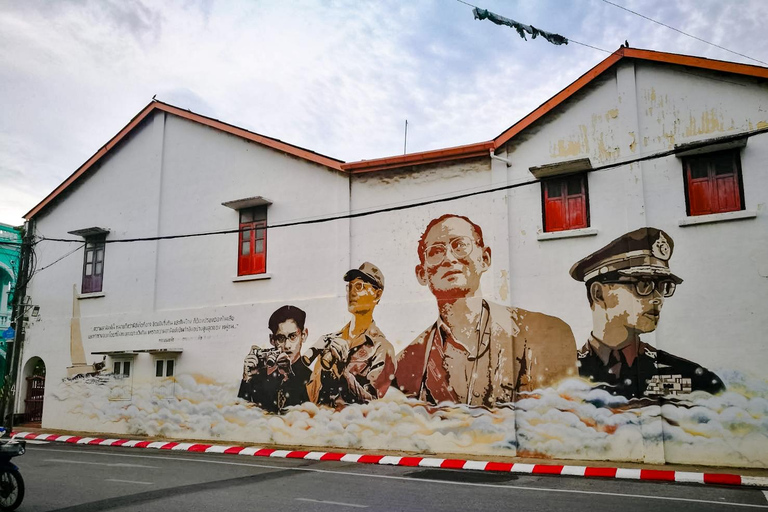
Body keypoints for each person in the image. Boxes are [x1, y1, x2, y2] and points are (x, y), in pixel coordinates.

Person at [394, 214, 577, 407]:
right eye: (436, 252)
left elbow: (557, 423)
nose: (449, 258)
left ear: (485, 258)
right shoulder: (406, 363)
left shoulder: (545, 333)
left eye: (460, 245)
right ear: (422, 274)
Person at [570, 227, 725, 399]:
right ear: (598, 293)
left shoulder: (693, 379)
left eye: (663, 287)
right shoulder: (564, 375)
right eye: (644, 285)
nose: (658, 298)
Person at [306, 262, 396, 407]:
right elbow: (311, 397)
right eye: (350, 286)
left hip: (355, 427)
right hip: (325, 424)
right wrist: (326, 369)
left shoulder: (382, 348)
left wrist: (343, 372)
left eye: (360, 286)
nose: (352, 292)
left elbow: (373, 403)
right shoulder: (332, 340)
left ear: (377, 294)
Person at [238, 305, 313, 413]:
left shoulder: (312, 378)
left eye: (292, 336)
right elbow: (240, 415)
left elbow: (310, 414)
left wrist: (289, 376)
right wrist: (246, 380)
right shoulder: (259, 378)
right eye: (281, 338)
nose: (287, 345)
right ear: (272, 340)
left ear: (304, 335)